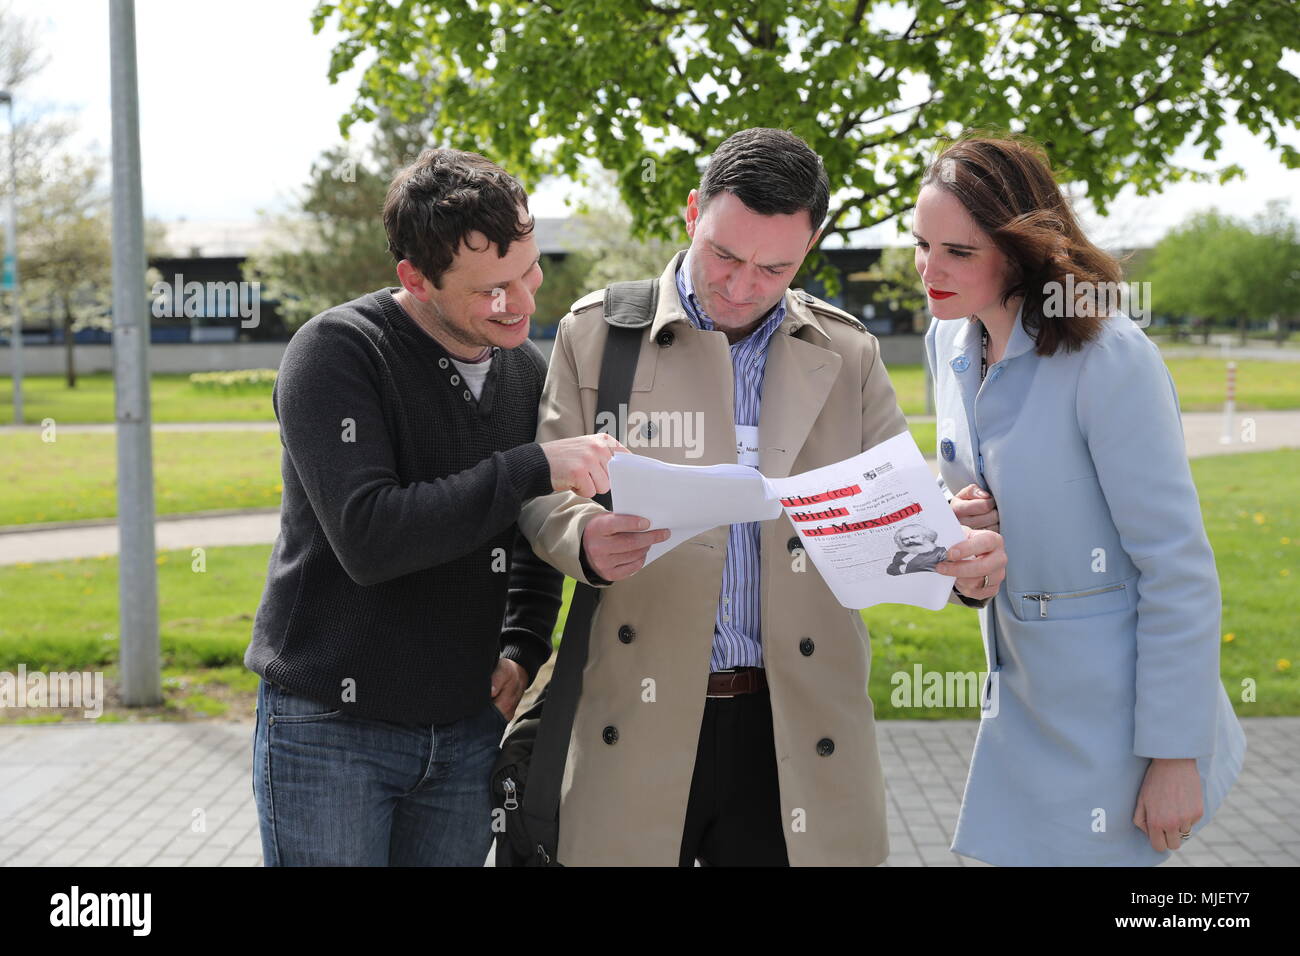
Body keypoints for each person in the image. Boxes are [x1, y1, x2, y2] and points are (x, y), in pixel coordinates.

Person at [518, 127, 1007, 866]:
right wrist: (583, 536)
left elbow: (904, 509)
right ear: (693, 213)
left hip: (797, 728)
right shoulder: (596, 334)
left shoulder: (848, 352)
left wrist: (958, 552)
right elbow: (544, 494)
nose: (743, 286)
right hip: (639, 720)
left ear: (807, 251)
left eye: (774, 267)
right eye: (725, 255)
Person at [245, 148, 625, 866]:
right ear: (415, 279)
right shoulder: (335, 354)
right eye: (490, 291)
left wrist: (524, 643)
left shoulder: (525, 371)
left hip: (466, 728)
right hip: (331, 726)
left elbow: (532, 530)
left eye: (529, 272)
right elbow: (372, 538)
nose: (520, 303)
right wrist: (532, 464)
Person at [916, 132, 1246, 866]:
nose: (928, 269)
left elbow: (1178, 568)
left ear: (1023, 251)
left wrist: (1174, 755)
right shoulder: (950, 344)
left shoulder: (1109, 359)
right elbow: (981, 517)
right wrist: (963, 526)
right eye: (921, 244)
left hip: (1117, 721)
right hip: (1020, 700)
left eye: (958, 252)